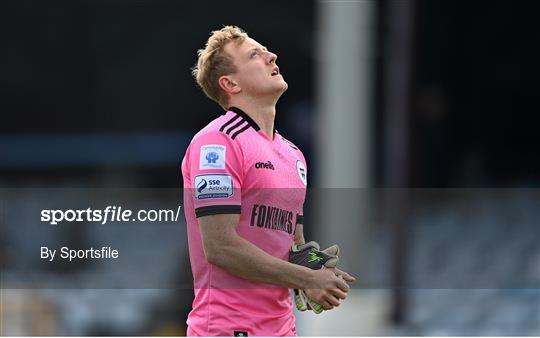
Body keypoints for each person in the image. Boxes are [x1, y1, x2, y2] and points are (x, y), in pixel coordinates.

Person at [181, 25, 355, 336]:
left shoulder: (293, 155)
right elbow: (221, 247)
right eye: (255, 55)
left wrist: (314, 266)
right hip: (229, 329)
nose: (271, 56)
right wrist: (306, 279)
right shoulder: (217, 143)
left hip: (282, 329)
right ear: (230, 82)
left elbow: (291, 245)